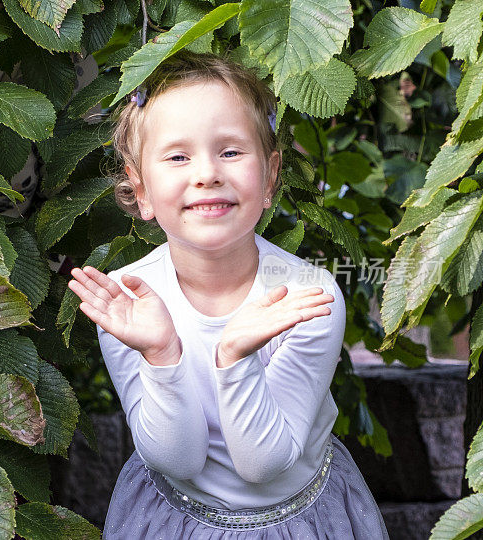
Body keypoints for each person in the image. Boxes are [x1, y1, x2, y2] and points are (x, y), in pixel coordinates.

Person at [67, 52, 389, 539]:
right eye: (178, 157)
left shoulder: (307, 297)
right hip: (177, 519)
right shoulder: (128, 300)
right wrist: (160, 353)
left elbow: (266, 463)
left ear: (271, 176)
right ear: (142, 190)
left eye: (231, 152)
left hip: (297, 520)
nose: (207, 174)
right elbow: (179, 459)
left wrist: (235, 356)